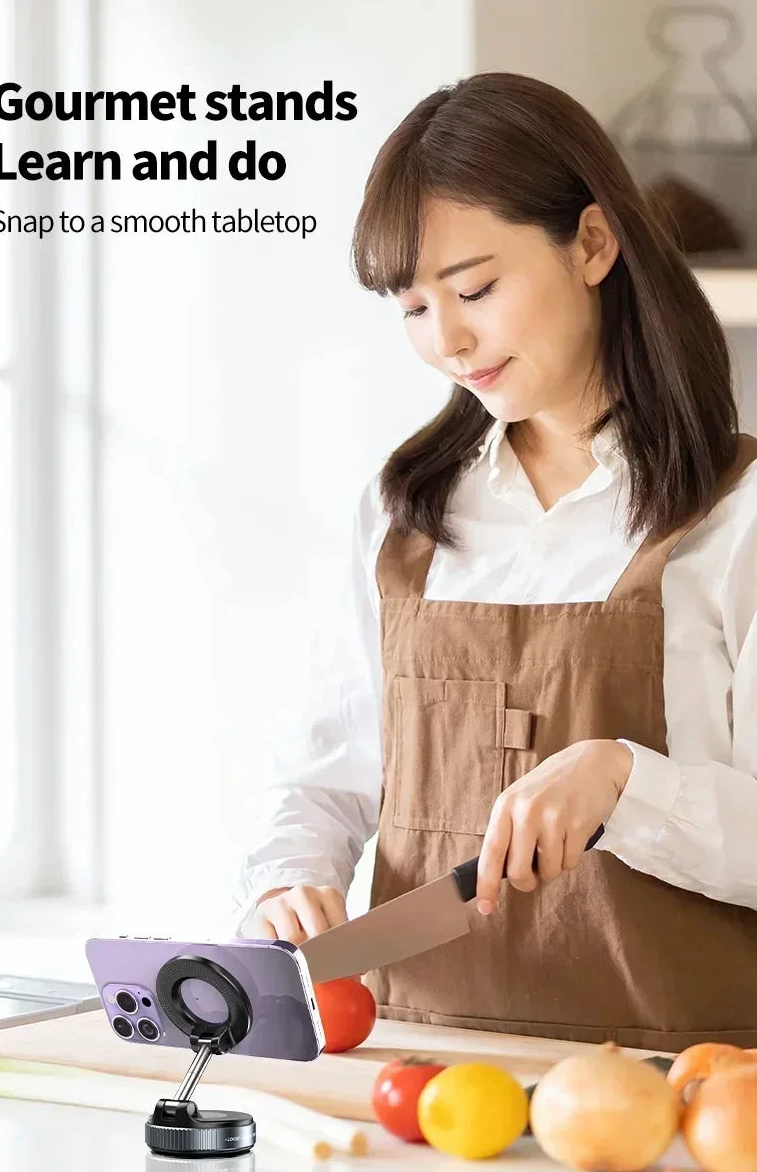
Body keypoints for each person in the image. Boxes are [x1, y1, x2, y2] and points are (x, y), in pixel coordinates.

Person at [232, 72, 757, 1052]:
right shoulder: (403, 513)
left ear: (593, 244)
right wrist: (285, 878)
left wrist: (618, 780)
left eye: (474, 289)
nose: (448, 341)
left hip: (679, 1095)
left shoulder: (738, 513)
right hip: (419, 1084)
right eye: (414, 307)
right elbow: (327, 770)